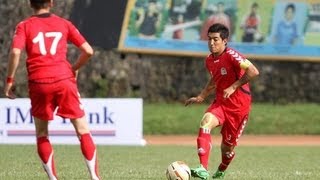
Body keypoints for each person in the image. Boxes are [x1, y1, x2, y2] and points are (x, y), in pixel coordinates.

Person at [4, 0, 100, 179]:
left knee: (42, 134)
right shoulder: (64, 24)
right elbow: (88, 51)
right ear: (51, 3)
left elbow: (16, 52)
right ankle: (95, 177)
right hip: (64, 79)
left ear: (30, 4)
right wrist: (73, 68)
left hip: (39, 82)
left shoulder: (24, 26)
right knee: (82, 129)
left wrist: (9, 80)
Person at [185, 23, 259, 179]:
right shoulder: (209, 60)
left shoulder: (232, 55)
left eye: (216, 39)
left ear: (225, 40)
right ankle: (203, 168)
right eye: (209, 39)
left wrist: (234, 86)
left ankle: (221, 169)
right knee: (205, 122)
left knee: (227, 148)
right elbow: (214, 79)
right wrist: (201, 96)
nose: (211, 43)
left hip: (239, 108)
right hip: (221, 103)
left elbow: (253, 71)